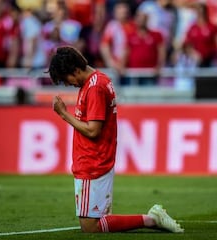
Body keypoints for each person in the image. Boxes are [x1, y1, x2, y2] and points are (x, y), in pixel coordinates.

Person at [48, 46, 184, 233]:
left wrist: (64, 114)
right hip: (96, 158)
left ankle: (151, 219)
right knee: (94, 223)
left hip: (92, 160)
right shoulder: (99, 80)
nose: (68, 84)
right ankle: (151, 219)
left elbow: (93, 131)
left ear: (75, 70)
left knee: (91, 227)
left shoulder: (94, 88)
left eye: (66, 79)